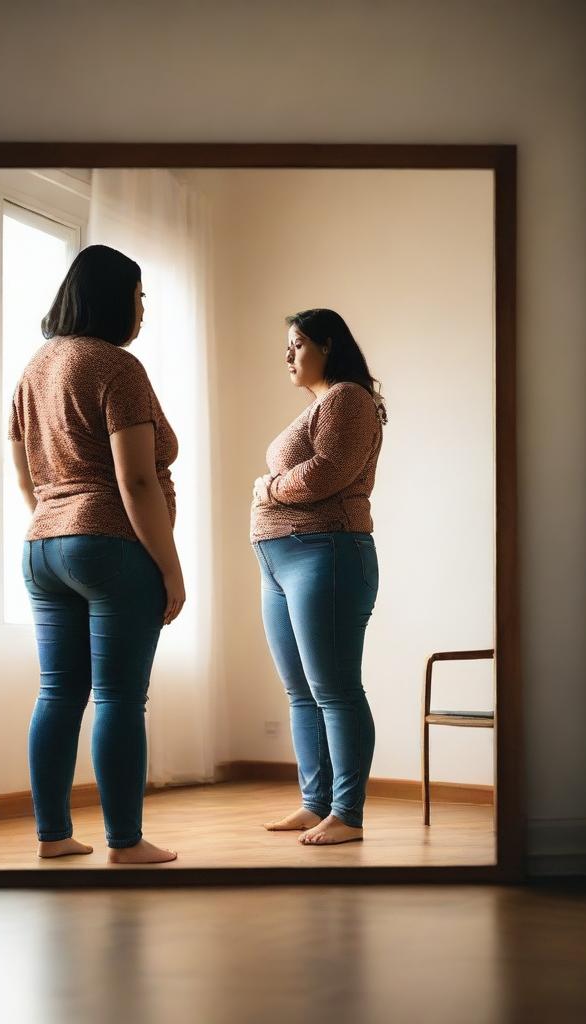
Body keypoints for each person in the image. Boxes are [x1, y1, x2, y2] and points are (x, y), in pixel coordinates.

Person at [8, 244, 184, 864]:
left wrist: (54, 516)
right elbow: (136, 481)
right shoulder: (115, 367)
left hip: (44, 546)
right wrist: (169, 567)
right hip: (110, 546)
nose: (143, 311)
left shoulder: (36, 368)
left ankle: (53, 836)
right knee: (118, 697)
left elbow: (26, 468)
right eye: (139, 297)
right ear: (115, 300)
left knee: (57, 693)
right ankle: (125, 842)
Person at [250, 308, 386, 846]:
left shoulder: (349, 399)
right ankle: (315, 804)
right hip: (280, 561)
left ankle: (347, 814)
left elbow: (329, 471)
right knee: (301, 693)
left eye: (298, 343)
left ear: (328, 346)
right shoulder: (319, 406)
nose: (288, 354)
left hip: (327, 552)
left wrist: (269, 487)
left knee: (335, 689)